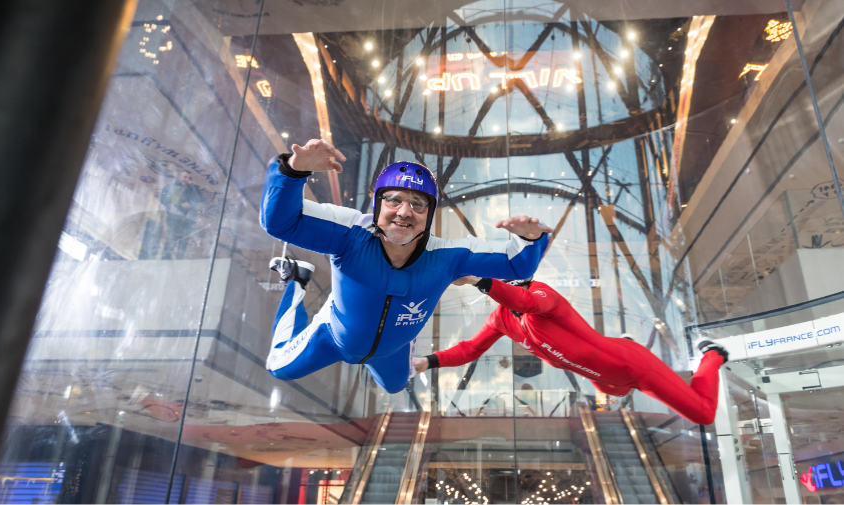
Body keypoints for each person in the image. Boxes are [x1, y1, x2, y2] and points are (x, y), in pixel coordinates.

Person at [260, 138, 552, 393]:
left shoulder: (448, 257)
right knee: (277, 367)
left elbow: (517, 266)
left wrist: (530, 238)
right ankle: (296, 280)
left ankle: (405, 349)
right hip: (332, 335)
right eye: (393, 199)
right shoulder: (350, 234)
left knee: (395, 386)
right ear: (377, 205)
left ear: (429, 213)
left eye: (417, 203)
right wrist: (293, 170)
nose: (403, 211)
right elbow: (281, 222)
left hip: (393, 351)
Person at [414, 276, 730, 425]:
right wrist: (425, 363)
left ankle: (711, 354)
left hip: (633, 367)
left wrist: (480, 281)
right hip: (600, 378)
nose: (512, 290)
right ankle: (621, 341)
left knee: (702, 414)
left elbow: (527, 302)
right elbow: (470, 349)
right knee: (616, 394)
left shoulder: (541, 295)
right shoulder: (501, 319)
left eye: (514, 284)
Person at [160, 170, 204, 259]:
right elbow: (164, 200)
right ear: (179, 177)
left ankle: (179, 261)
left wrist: (191, 205)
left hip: (188, 220)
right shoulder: (170, 187)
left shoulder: (195, 190)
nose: (187, 179)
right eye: (185, 177)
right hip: (173, 218)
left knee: (183, 243)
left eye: (190, 178)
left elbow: (202, 204)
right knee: (170, 241)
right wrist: (178, 204)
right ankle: (165, 261)